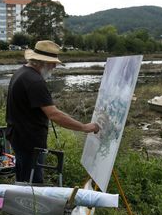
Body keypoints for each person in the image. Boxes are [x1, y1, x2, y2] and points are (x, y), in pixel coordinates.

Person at [6, 40, 100, 183]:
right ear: (41, 62)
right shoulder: (35, 81)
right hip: (29, 142)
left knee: (23, 179)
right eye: (52, 63)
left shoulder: (21, 72)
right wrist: (84, 127)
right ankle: (30, 205)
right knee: (33, 185)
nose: (55, 66)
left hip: (19, 137)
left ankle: (22, 202)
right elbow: (54, 114)